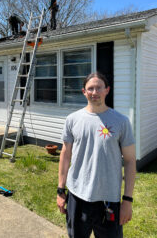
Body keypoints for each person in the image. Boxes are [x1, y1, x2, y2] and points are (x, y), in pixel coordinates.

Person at [57, 72, 136, 238]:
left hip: (108, 200)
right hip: (77, 197)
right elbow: (65, 154)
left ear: (107, 90)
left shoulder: (121, 121)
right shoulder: (72, 119)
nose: (94, 92)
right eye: (90, 88)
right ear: (84, 92)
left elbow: (129, 161)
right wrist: (60, 190)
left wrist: (127, 200)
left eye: (99, 87)